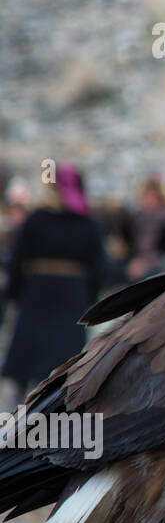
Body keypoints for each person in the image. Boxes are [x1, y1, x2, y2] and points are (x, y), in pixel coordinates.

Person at [1, 163, 103, 392]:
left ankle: (24, 405)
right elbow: (97, 267)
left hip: (39, 289)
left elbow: (18, 258)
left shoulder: (37, 219)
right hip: (72, 293)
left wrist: (15, 292)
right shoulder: (88, 224)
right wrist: (90, 298)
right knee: (61, 353)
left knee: (31, 348)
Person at [124, 173, 165, 281]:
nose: (148, 200)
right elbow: (129, 246)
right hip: (137, 263)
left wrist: (146, 264)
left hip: (161, 264)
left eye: (151, 196)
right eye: (145, 196)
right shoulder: (136, 218)